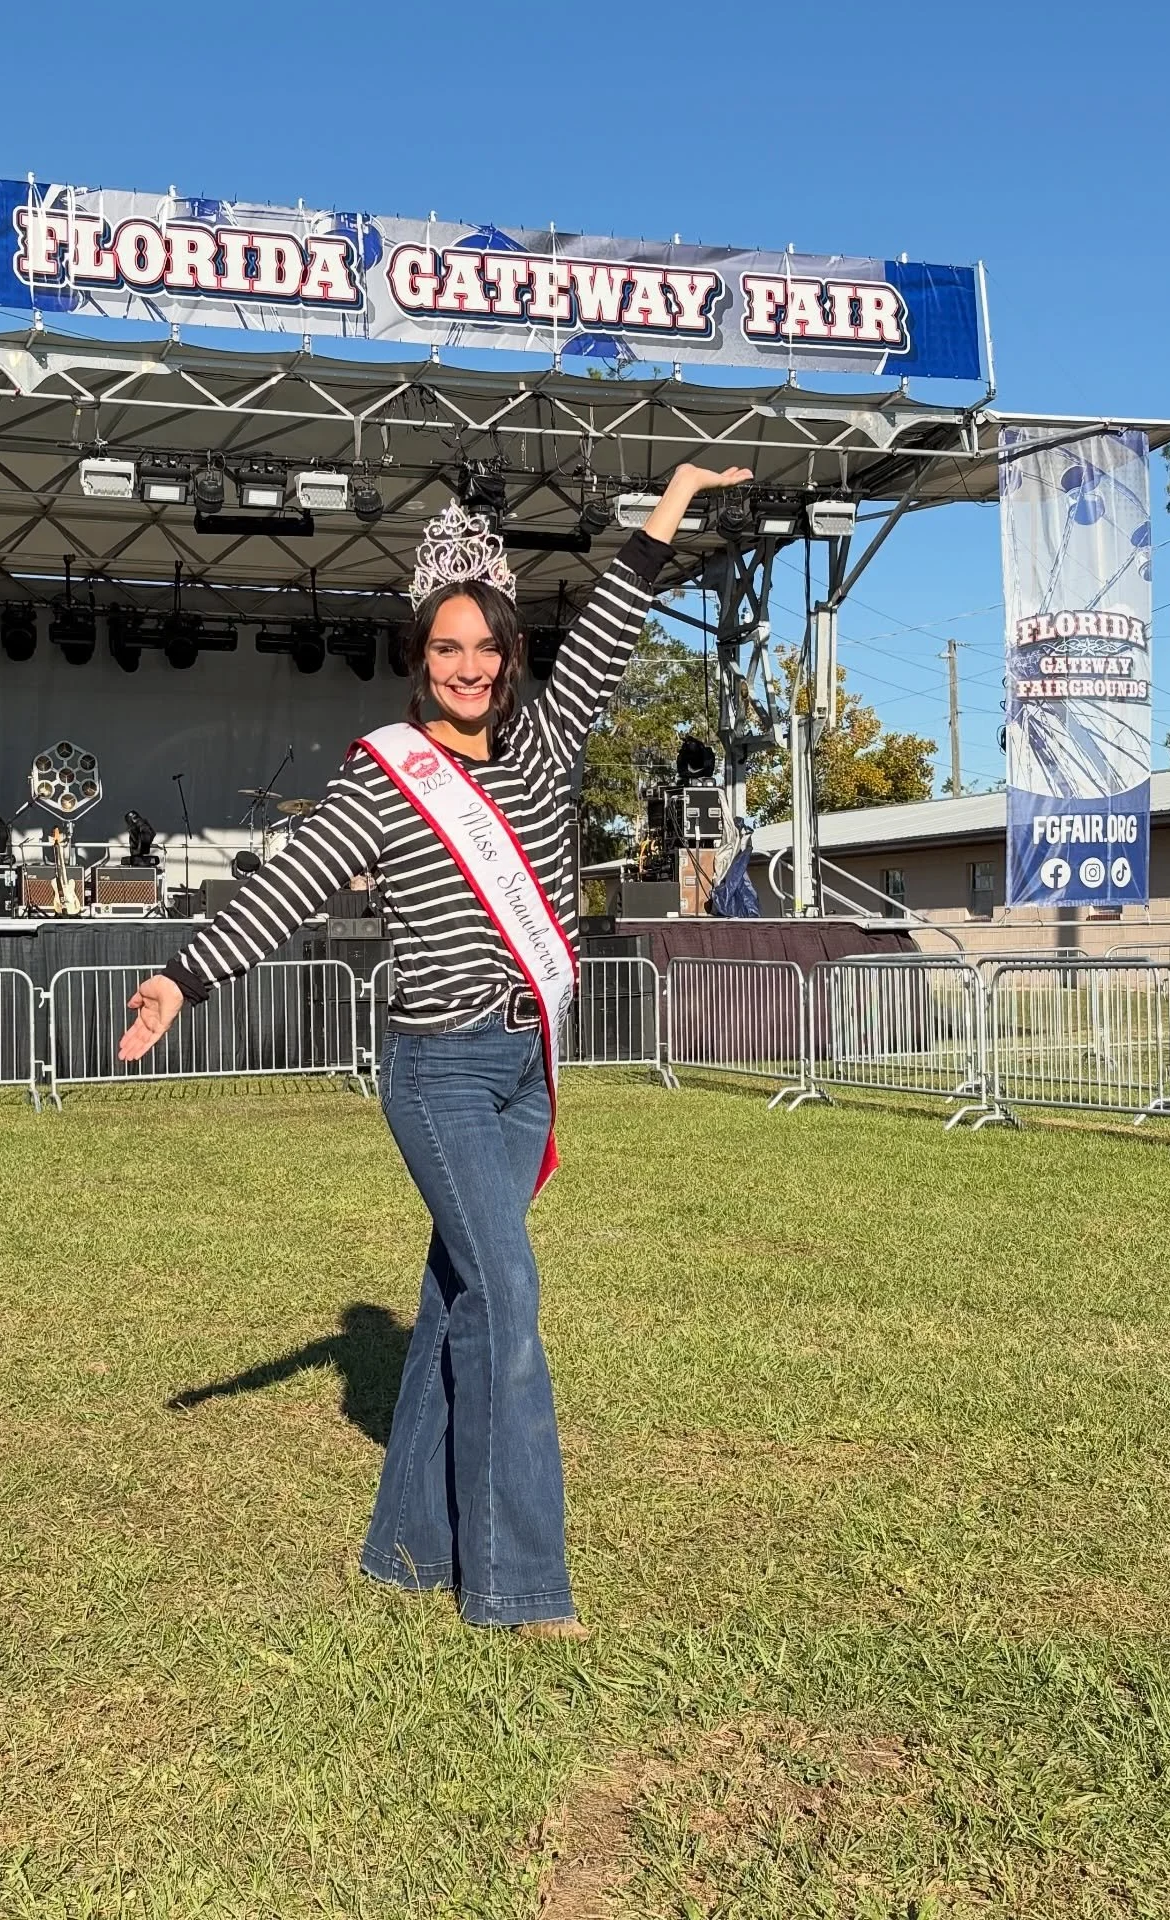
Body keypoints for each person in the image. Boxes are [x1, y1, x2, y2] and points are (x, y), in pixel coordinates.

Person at [118, 462, 751, 1635]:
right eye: (446, 648)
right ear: (423, 657)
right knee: (509, 1298)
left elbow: (611, 621)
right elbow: (289, 884)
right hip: (439, 1069)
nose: (467, 667)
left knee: (458, 1300)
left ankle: (409, 1548)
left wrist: (667, 510)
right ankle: (516, 1589)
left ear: (509, 655)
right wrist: (182, 976)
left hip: (521, 1070)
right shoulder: (385, 777)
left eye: (486, 648)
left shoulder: (549, 746)